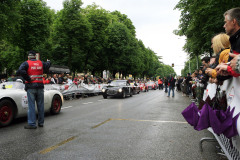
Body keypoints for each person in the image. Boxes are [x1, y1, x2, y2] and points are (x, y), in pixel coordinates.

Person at [17, 50, 51, 129]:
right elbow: (48, 65)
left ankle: (32, 124)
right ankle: (41, 123)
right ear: (35, 56)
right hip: (40, 86)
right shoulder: (41, 63)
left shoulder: (26, 63)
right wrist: (49, 61)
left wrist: (28, 79)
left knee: (31, 106)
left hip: (31, 87)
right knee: (40, 105)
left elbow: (20, 71)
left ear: (28, 57)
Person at [216, 8, 240, 77]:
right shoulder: (234, 40)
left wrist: (228, 68)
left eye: (225, 22)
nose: (224, 26)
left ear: (233, 21)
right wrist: (227, 69)